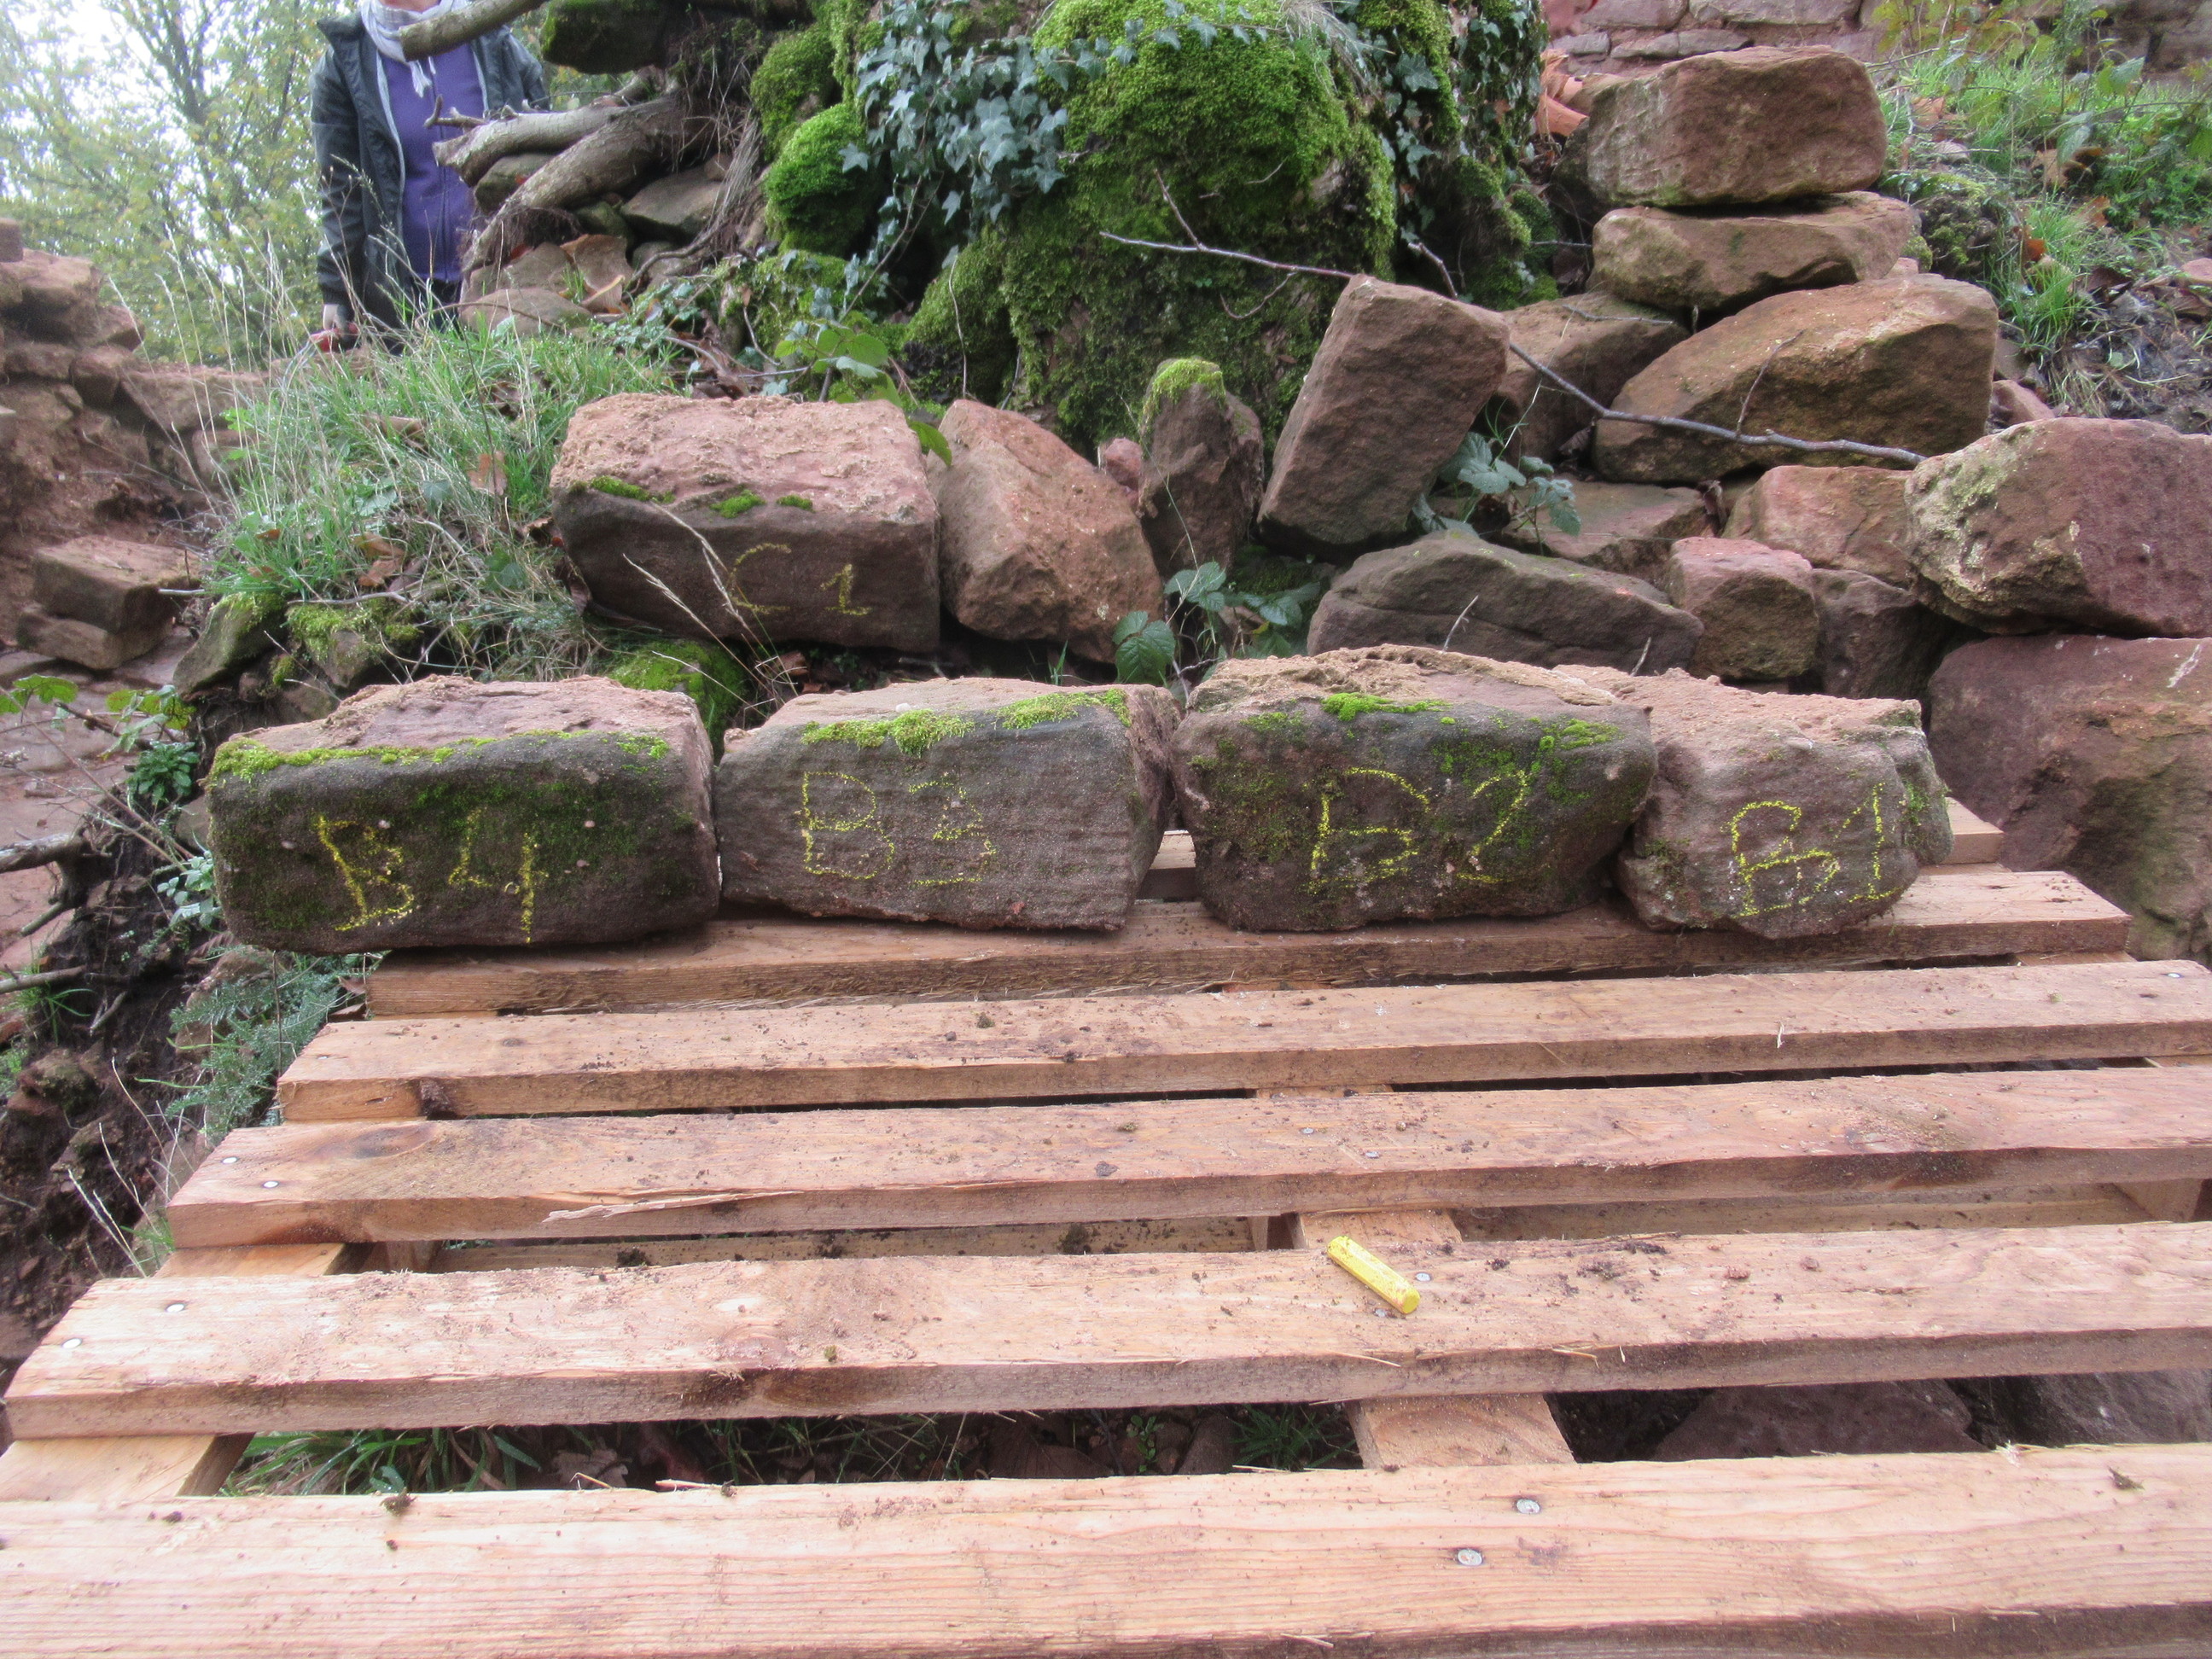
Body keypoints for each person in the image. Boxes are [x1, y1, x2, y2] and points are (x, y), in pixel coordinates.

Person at [311, 0, 549, 341]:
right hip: (408, 301)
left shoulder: (493, 37)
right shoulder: (346, 59)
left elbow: (546, 152)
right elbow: (340, 189)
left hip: (506, 280)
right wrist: (338, 288)